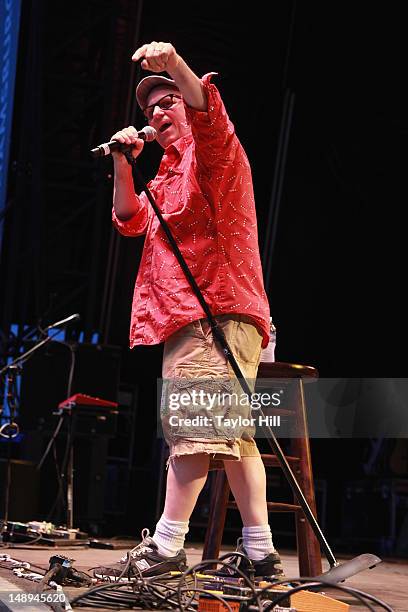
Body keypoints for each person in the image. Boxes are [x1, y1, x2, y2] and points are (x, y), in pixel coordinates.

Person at [93, 41, 285, 582]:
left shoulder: (215, 152)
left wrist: (173, 65)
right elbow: (129, 218)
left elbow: (207, 111)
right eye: (150, 106)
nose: (157, 110)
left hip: (214, 312)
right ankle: (260, 551)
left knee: (193, 428)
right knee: (232, 436)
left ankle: (167, 544)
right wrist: (123, 163)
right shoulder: (168, 172)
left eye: (168, 100)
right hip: (192, 314)